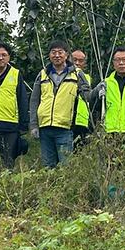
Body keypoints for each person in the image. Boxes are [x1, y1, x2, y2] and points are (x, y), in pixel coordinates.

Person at [29, 40, 91, 168]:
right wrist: (34, 124)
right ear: (49, 55)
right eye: (53, 52)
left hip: (65, 127)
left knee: (65, 166)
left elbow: (87, 95)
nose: (57, 55)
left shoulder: (77, 74)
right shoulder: (42, 74)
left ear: (67, 55)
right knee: (48, 166)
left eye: (60, 52)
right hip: (45, 127)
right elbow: (34, 100)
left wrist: (97, 91)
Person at [92, 46, 125, 154]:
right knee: (110, 167)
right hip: (110, 132)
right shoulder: (106, 83)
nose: (121, 63)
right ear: (113, 63)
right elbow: (95, 107)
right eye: (117, 60)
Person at [70, 49, 92, 146]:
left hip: (82, 123)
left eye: (81, 60)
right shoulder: (62, 76)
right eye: (74, 60)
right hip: (66, 122)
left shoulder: (88, 79)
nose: (77, 63)